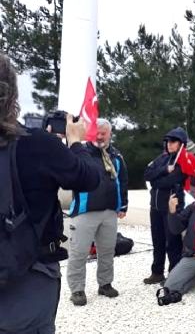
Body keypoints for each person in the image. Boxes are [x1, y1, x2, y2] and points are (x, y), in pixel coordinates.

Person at [0, 54, 101, 333]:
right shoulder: (38, 146)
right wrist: (76, 142)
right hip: (27, 279)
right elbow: (89, 177)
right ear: (11, 93)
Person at [66, 118, 129, 306]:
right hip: (85, 210)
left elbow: (122, 181)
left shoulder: (116, 156)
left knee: (107, 251)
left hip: (110, 211)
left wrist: (123, 205)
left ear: (110, 134)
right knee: (79, 252)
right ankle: (77, 289)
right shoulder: (81, 152)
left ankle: (105, 284)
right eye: (97, 132)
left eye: (104, 133)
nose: (100, 136)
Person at [143, 128, 188, 285]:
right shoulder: (162, 159)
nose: (169, 144)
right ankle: (157, 272)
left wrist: (156, 179)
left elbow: (168, 181)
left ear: (181, 144)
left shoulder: (183, 162)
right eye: (168, 141)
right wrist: (163, 171)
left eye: (173, 141)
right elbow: (147, 174)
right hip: (155, 207)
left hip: (171, 208)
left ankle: (174, 274)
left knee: (173, 242)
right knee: (158, 241)